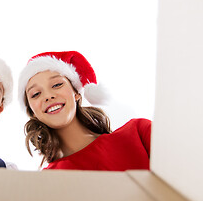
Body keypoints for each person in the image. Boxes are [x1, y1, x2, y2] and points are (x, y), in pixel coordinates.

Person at [18, 50, 151, 171]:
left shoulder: (139, 133)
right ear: (32, 111)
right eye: (35, 94)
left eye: (57, 85)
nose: (48, 96)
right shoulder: (47, 180)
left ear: (76, 93)